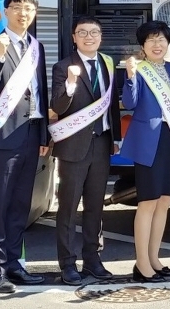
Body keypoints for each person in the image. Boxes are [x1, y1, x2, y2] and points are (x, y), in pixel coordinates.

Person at [0, 0, 50, 293]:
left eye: (29, 9)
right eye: (18, 7)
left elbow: (41, 91)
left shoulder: (38, 47)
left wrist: (45, 133)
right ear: (6, 11)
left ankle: (13, 264)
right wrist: (1, 55)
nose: (24, 13)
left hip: (32, 134)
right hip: (4, 136)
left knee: (22, 203)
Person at [50, 16, 122, 285]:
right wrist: (69, 83)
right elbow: (57, 106)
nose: (89, 37)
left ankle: (92, 259)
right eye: (83, 33)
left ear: (101, 37)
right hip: (73, 147)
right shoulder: (62, 67)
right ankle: (68, 264)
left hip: (102, 143)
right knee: (68, 208)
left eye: (94, 32)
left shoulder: (107, 63)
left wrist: (116, 136)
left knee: (95, 207)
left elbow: (111, 102)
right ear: (74, 37)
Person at [120, 21, 170, 283]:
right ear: (143, 46)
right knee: (147, 202)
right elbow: (130, 103)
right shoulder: (138, 70)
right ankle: (141, 264)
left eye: (161, 39)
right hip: (148, 140)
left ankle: (154, 258)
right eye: (151, 40)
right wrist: (129, 76)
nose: (157, 44)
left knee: (164, 201)